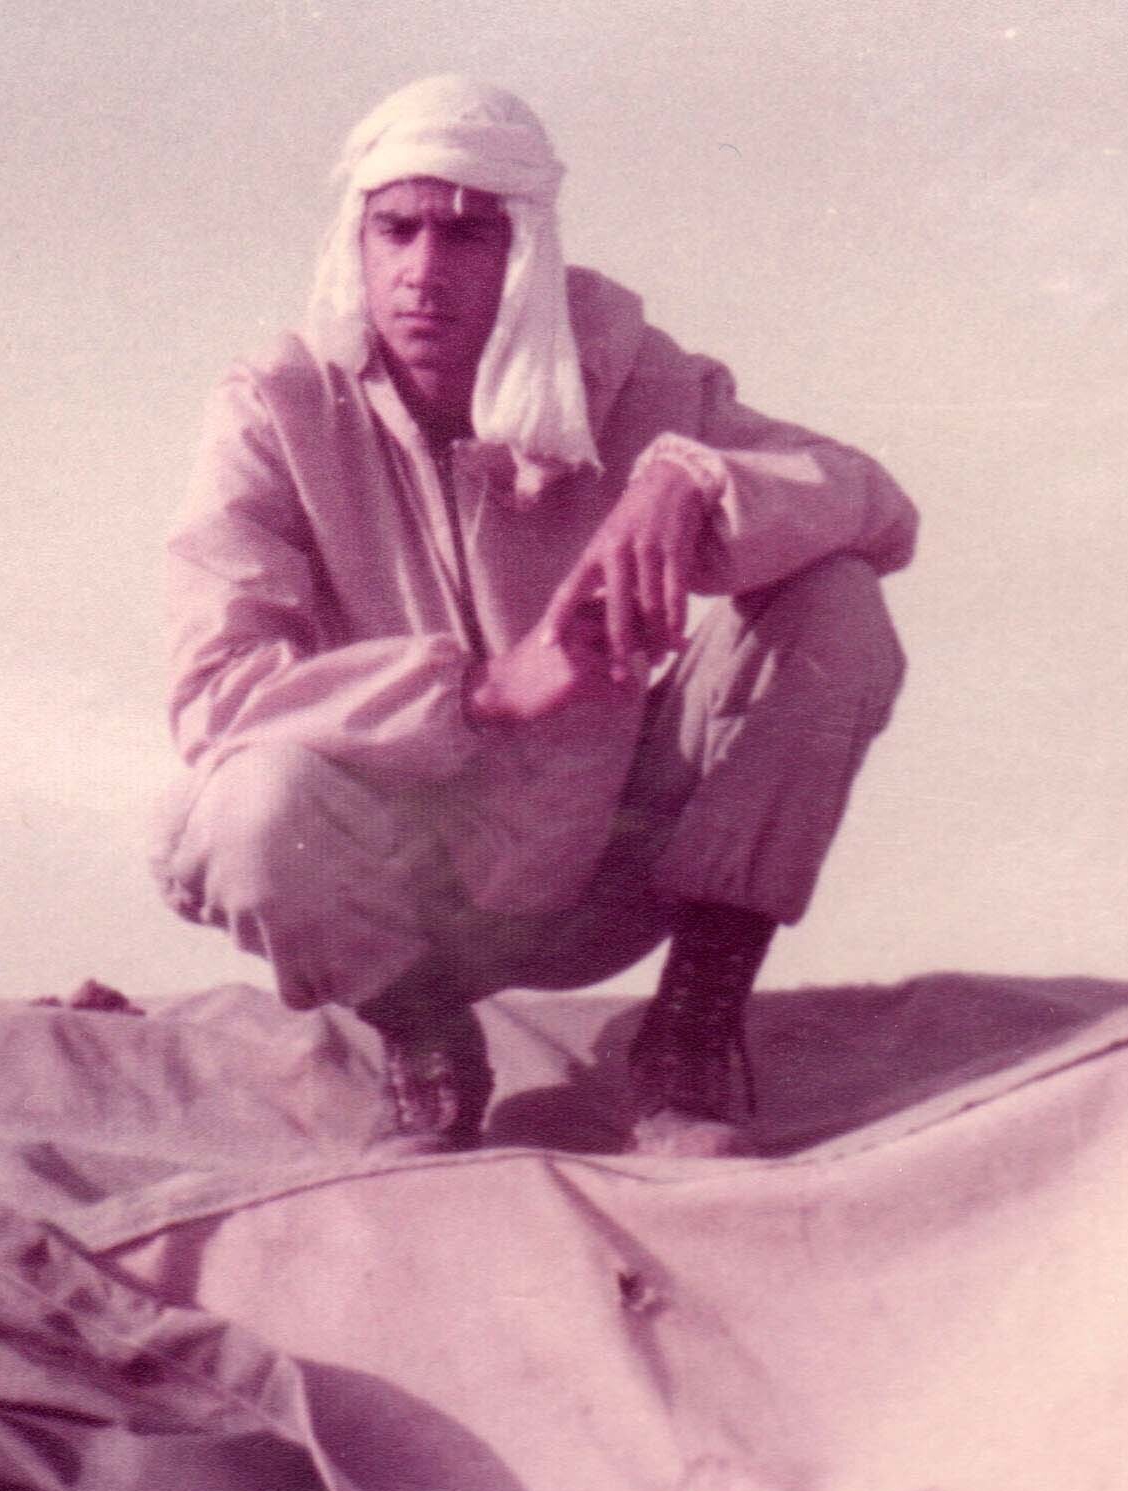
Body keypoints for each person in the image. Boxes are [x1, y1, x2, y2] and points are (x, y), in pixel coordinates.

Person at [154, 75, 918, 1158]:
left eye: (467, 234)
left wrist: (692, 478)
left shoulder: (631, 376)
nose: (423, 272)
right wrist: (478, 690)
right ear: (357, 242)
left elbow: (877, 505)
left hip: (611, 853)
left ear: (524, 248)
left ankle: (689, 1035)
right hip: (399, 889)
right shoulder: (277, 408)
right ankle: (429, 1050)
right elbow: (215, 689)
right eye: (397, 230)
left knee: (836, 603)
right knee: (242, 805)